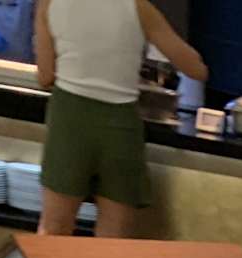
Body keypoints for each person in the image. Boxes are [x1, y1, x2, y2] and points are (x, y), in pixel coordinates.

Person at [34, 0, 206, 238]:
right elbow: (196, 70)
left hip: (69, 119)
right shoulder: (138, 6)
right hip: (120, 125)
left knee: (54, 229)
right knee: (114, 241)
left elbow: (45, 76)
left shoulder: (49, 3)